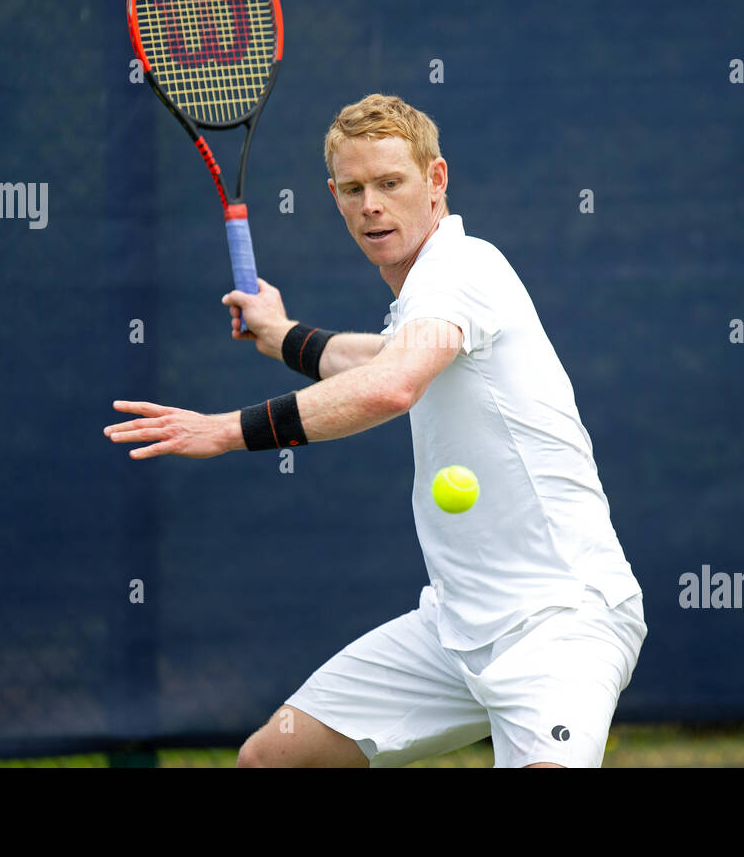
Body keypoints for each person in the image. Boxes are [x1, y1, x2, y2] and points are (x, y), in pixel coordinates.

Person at [103, 94, 645, 767]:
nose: (372, 206)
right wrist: (284, 335)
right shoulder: (425, 298)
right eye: (354, 189)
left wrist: (224, 431)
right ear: (333, 196)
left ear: (436, 180)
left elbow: (392, 384)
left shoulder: (462, 268)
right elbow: (383, 357)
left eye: (391, 183)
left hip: (560, 622)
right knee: (271, 760)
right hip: (454, 628)